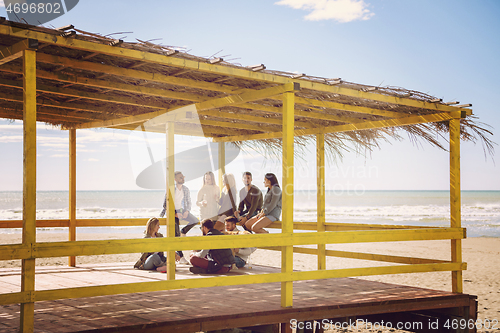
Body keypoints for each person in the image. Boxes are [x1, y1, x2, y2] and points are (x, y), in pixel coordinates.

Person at [160, 171, 199, 264]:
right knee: (176, 235)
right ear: (175, 179)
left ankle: (183, 231)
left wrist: (186, 211)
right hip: (172, 212)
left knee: (195, 221)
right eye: (180, 177)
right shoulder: (171, 189)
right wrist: (174, 214)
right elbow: (165, 204)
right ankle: (181, 257)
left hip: (181, 210)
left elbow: (189, 202)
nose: (182, 178)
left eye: (183, 177)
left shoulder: (186, 189)